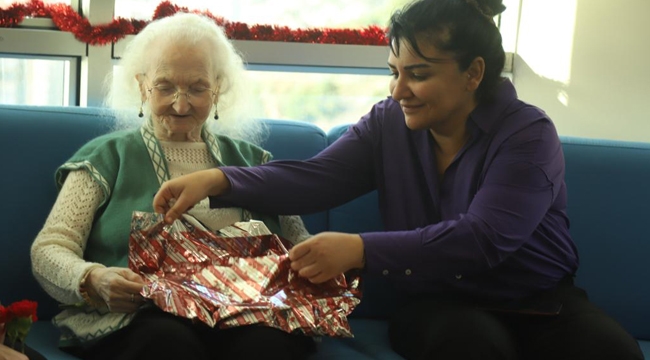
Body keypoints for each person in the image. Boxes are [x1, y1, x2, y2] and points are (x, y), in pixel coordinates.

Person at [152, 1, 645, 359]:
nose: (399, 89)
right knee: (472, 346)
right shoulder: (389, 123)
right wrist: (217, 179)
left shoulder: (528, 134)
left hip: (544, 305)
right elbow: (317, 178)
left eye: (419, 74)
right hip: (437, 303)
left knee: (612, 351)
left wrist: (361, 249)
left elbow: (485, 238)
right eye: (394, 71)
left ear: (473, 73)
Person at [30, 12, 315, 360]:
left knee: (268, 348)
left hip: (249, 315)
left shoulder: (257, 163)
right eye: (165, 87)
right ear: (141, 85)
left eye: (197, 88)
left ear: (218, 87)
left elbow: (304, 246)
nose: (181, 104)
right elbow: (49, 248)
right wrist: (93, 280)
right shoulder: (105, 159)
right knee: (166, 342)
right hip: (142, 318)